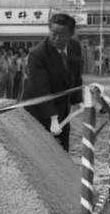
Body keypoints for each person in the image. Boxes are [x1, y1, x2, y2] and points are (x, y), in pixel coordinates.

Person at [23, 13, 83, 152]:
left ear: (71, 34)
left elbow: (76, 75)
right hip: (38, 109)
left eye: (61, 34)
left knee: (61, 150)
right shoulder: (37, 54)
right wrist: (53, 117)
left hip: (62, 106)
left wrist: (77, 100)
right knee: (41, 151)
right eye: (53, 33)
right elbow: (41, 89)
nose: (56, 38)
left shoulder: (75, 47)